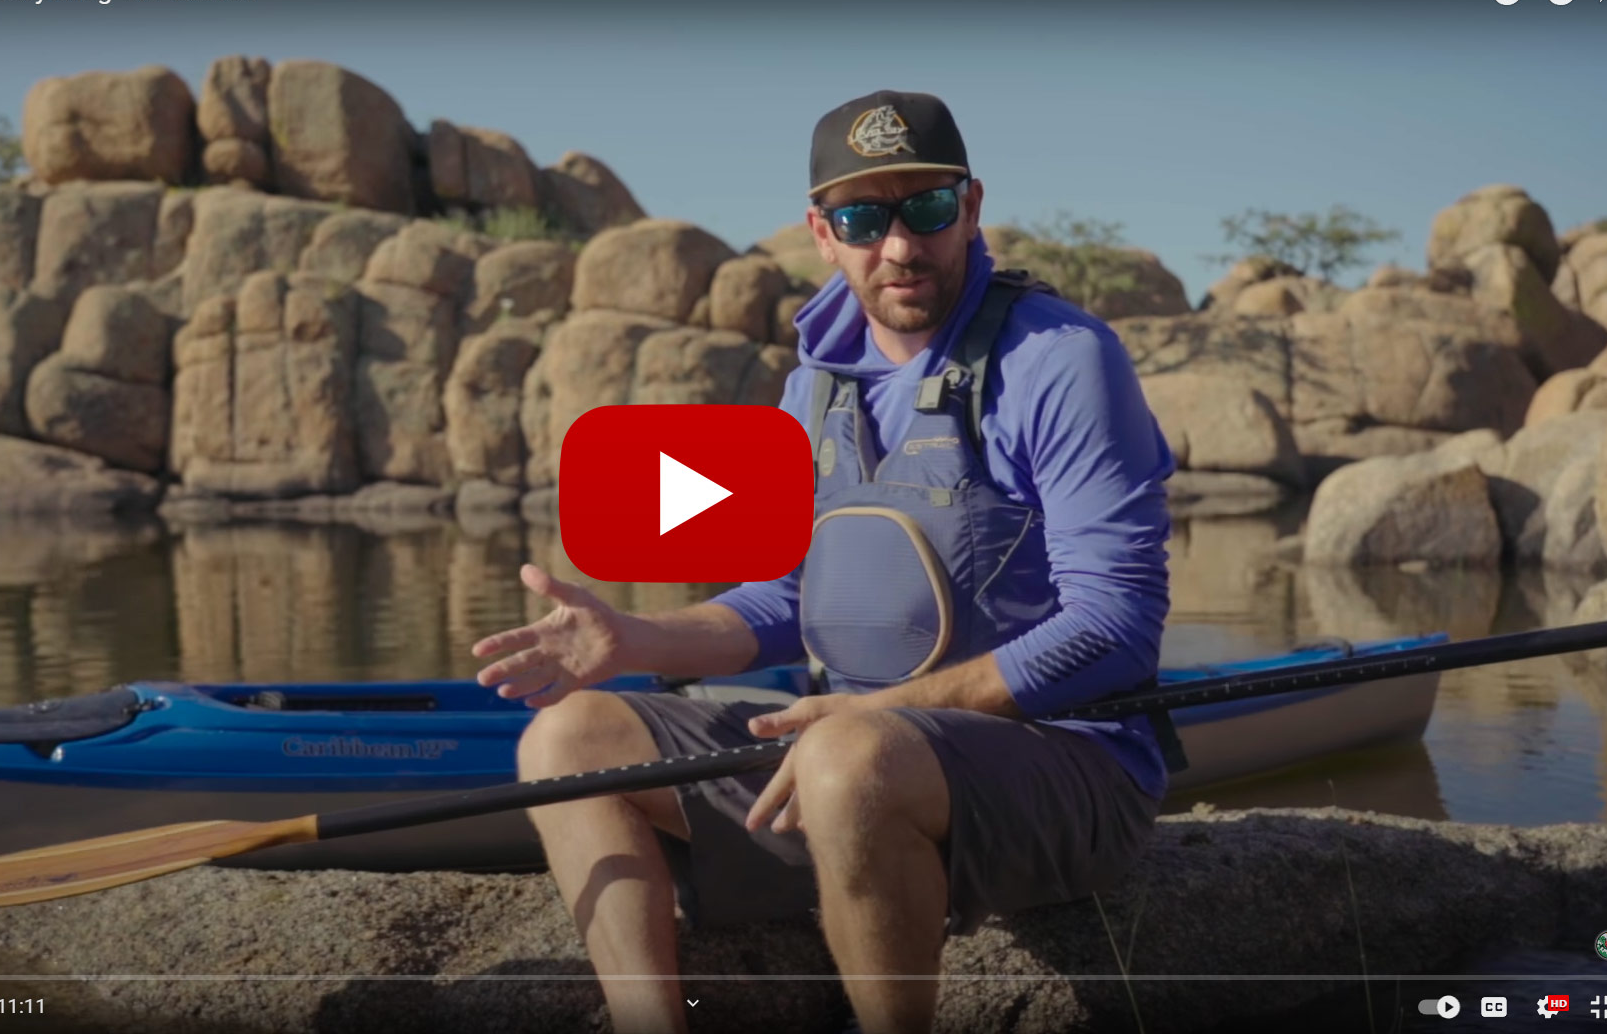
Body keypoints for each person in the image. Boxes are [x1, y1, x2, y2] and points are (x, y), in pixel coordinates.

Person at [472, 89, 1178, 1034]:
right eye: (862, 217)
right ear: (822, 232)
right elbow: (786, 595)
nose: (899, 245)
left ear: (970, 208)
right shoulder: (814, 384)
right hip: (853, 750)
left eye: (926, 208)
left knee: (848, 757)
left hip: (1065, 763)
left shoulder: (1060, 360)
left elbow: (1117, 630)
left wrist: (878, 715)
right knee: (566, 740)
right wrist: (632, 636)